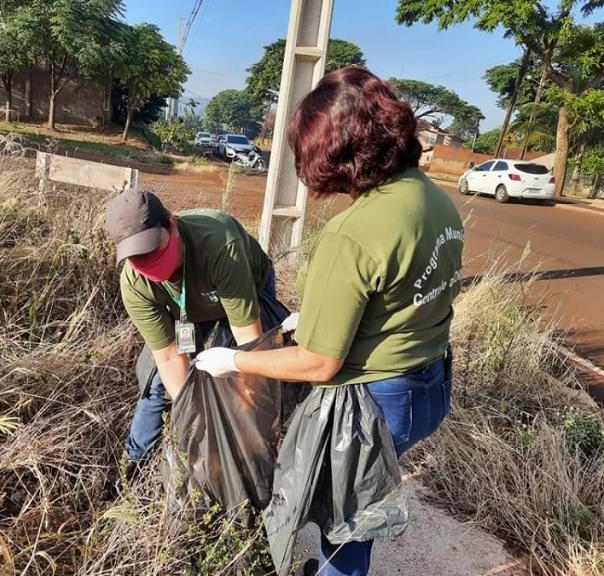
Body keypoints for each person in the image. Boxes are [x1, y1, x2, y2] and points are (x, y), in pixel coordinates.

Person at [196, 67, 464, 576]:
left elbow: (319, 362)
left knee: (346, 516)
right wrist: (323, 314)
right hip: (428, 386)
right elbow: (405, 292)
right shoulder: (433, 199)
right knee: (359, 500)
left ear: (335, 152)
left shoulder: (353, 233)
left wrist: (233, 360)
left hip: (375, 403)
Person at [105, 188, 288, 472]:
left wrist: (241, 429)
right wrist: (199, 426)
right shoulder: (134, 283)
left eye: (153, 247)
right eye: (137, 256)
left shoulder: (220, 245)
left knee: (243, 374)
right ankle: (132, 466)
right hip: (187, 312)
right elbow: (167, 357)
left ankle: (260, 454)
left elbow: (249, 342)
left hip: (243, 290)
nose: (148, 261)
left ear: (173, 224)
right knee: (157, 387)